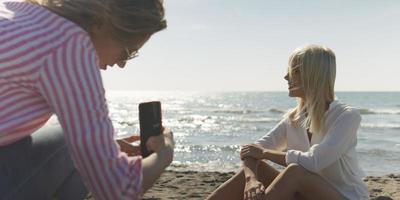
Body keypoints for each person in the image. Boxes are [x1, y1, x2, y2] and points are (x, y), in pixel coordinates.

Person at [0, 0, 174, 199]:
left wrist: (104, 147)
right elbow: (118, 190)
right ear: (101, 22)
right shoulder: (68, 45)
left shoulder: (18, 9)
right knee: (68, 145)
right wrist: (164, 155)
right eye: (127, 50)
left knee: (66, 138)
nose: (122, 64)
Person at [206, 45, 369, 200]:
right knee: (259, 169)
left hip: (345, 196)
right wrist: (251, 179)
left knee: (295, 171)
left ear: (314, 75)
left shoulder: (346, 116)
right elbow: (251, 150)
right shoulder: (294, 118)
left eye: (295, 71)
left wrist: (265, 154)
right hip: (305, 195)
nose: (286, 76)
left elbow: (314, 162)